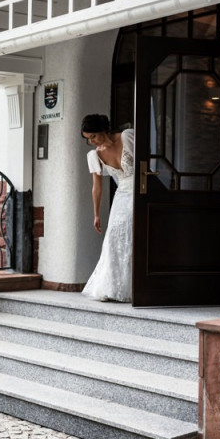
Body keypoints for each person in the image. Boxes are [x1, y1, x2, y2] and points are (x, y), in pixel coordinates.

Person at [80, 114, 135, 302]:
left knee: (136, 238)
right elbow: (97, 187)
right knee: (115, 240)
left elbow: (148, 163)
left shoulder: (127, 136)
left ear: (103, 130)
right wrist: (96, 214)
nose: (92, 142)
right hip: (122, 198)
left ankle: (139, 286)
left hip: (141, 192)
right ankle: (112, 287)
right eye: (88, 139)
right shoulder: (94, 155)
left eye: (93, 136)